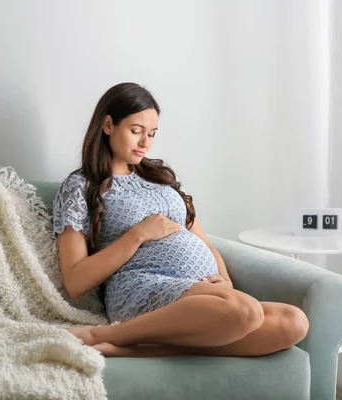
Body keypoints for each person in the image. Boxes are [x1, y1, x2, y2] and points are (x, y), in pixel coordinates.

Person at [52, 82, 309, 357]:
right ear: (107, 125)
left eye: (151, 134)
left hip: (204, 293)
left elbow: (201, 240)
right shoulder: (81, 186)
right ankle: (102, 335)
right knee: (245, 311)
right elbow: (76, 280)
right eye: (136, 131)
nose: (145, 143)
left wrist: (226, 284)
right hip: (143, 287)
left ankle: (140, 350)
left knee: (293, 322)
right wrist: (138, 234)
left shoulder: (159, 176)